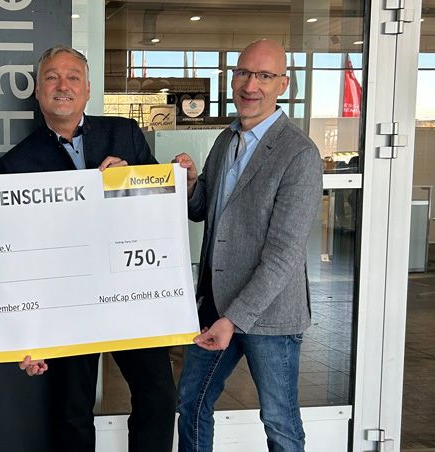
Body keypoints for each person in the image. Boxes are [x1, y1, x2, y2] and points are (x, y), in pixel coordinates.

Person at [0, 45, 177, 452]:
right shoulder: (17, 164)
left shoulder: (125, 134)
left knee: (159, 395)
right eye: (52, 77)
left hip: (131, 292)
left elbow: (160, 207)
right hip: (68, 302)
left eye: (73, 77)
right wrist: (28, 330)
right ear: (38, 91)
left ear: (88, 89)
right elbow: (19, 255)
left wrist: (130, 181)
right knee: (71, 410)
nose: (63, 85)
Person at [174, 39, 323, 451]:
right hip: (216, 303)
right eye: (243, 73)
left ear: (283, 85)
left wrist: (235, 318)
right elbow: (203, 208)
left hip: (269, 315)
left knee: (279, 420)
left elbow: (284, 255)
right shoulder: (226, 139)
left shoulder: (299, 154)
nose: (250, 85)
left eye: (264, 75)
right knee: (191, 402)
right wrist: (191, 184)